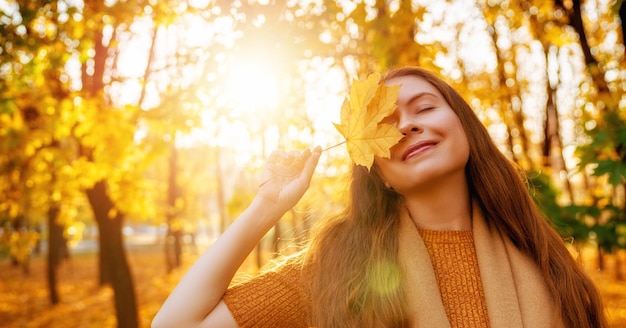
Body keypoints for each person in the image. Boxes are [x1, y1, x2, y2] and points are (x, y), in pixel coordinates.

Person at [152, 66, 607, 328]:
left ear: (465, 129)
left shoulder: (546, 262)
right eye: (386, 123)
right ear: (380, 175)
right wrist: (266, 208)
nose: (408, 124)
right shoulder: (339, 269)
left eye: (426, 106)